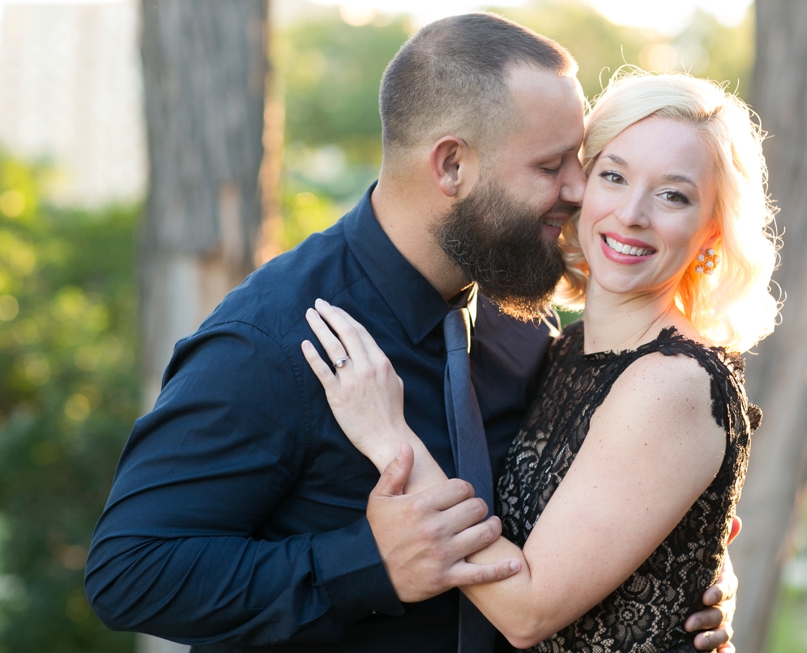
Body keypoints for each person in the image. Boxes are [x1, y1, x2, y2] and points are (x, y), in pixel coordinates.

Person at [85, 14, 737, 653]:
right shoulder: (277, 339)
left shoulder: (522, 315)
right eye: (550, 166)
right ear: (451, 166)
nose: (578, 188)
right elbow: (129, 572)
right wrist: (364, 565)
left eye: (581, 159)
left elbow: (589, 497)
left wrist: (683, 570)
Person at [299, 70, 777, 652]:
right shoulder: (566, 349)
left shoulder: (671, 382)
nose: (631, 214)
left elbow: (525, 611)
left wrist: (387, 436)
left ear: (711, 233)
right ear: (578, 186)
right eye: (614, 176)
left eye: (673, 195)